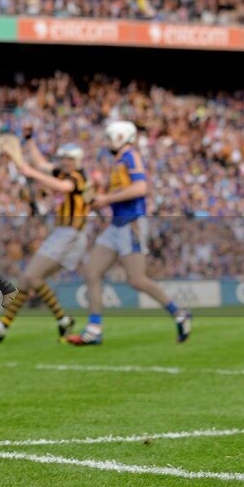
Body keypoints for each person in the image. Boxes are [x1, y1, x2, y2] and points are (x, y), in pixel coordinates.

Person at [65, 120, 192, 345]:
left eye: (110, 136)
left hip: (131, 224)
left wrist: (106, 199)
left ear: (121, 136)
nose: (107, 141)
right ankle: (94, 329)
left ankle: (179, 314)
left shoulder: (130, 156)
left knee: (137, 280)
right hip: (116, 225)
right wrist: (101, 198)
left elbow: (141, 188)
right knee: (92, 272)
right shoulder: (119, 160)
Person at [0, 138, 82, 342]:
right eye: (64, 159)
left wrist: (32, 173)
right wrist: (30, 141)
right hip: (63, 233)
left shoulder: (79, 177)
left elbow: (63, 187)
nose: (65, 162)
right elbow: (42, 163)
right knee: (27, 279)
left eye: (69, 159)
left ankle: (63, 319)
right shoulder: (61, 171)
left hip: (70, 234)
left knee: (31, 277)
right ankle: (3, 327)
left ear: (77, 160)